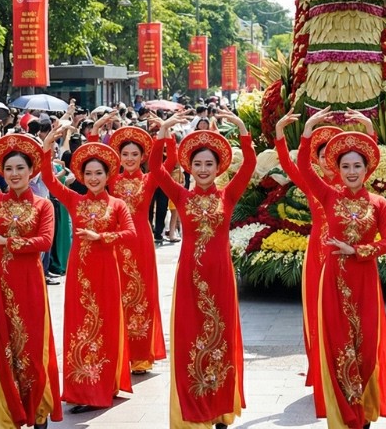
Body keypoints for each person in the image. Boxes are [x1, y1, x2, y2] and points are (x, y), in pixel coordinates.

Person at [295, 108, 386, 429]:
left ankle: (365, 404)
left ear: (367, 169)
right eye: (345, 166)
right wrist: (309, 129)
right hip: (334, 282)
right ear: (337, 170)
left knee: (366, 346)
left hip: (366, 281)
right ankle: (346, 414)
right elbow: (303, 168)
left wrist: (357, 250)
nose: (351, 171)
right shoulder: (328, 195)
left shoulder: (378, 203)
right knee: (340, 345)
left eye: (357, 165)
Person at [152, 111, 257, 429]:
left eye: (208, 164)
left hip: (221, 278)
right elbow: (156, 170)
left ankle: (221, 410)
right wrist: (164, 135)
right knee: (190, 339)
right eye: (197, 164)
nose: (202, 169)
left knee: (220, 338)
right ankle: (196, 406)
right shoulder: (181, 196)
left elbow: (249, 166)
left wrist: (242, 130)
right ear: (190, 167)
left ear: (218, 167)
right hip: (189, 280)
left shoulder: (227, 195)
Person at [0, 116, 62, 429]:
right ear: (1, 173)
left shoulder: (43, 205)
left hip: (30, 283)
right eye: (9, 169)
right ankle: (8, 409)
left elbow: (45, 241)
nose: (15, 174)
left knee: (30, 345)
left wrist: (7, 241)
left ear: (32, 172)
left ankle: (37, 410)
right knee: (3, 348)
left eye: (21, 168)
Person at [38, 127, 136, 413]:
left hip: (106, 274)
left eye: (99, 173)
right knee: (78, 329)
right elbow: (48, 179)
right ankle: (81, 388)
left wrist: (103, 238)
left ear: (108, 176)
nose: (94, 178)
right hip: (79, 277)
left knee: (104, 328)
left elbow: (131, 234)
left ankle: (100, 388)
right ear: (82, 176)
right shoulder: (75, 200)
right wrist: (47, 145)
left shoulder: (117, 204)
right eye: (89, 173)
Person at [273, 120, 354, 403]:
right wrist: (281, 133)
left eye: (330, 153)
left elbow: (368, 160)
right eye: (321, 154)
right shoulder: (311, 183)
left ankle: (346, 365)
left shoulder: (349, 184)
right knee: (316, 312)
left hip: (346, 255)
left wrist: (369, 131)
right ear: (318, 159)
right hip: (317, 254)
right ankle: (320, 368)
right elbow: (285, 161)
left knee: (346, 311)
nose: (326, 159)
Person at [106, 125, 166, 373]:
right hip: (117, 242)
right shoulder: (112, 180)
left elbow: (168, 160)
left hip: (141, 241)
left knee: (143, 294)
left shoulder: (149, 179)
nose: (129, 159)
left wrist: (164, 134)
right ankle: (121, 352)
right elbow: (98, 161)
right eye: (125, 154)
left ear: (143, 157)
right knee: (118, 294)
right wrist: (94, 132)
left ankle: (141, 356)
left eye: (134, 154)